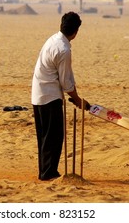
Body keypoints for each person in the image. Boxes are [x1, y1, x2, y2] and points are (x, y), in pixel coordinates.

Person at [31, 11, 89, 181]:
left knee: (45, 136)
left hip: (39, 93)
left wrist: (76, 97)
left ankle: (45, 171)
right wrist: (78, 100)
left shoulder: (53, 39)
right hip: (49, 95)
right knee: (54, 136)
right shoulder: (63, 49)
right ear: (76, 31)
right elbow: (66, 82)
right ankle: (48, 173)